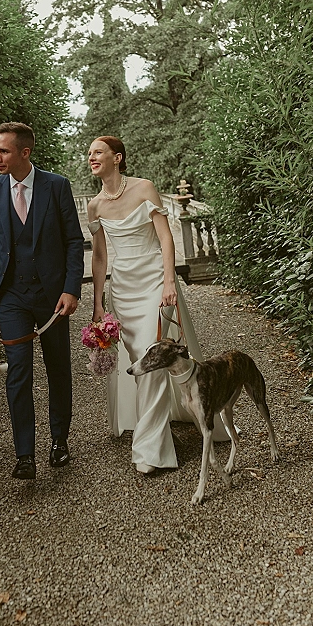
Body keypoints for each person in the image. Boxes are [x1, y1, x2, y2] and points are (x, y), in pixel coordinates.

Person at [87, 136, 228, 474]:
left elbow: (165, 236)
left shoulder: (144, 188)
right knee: (138, 362)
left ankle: (149, 451)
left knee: (151, 361)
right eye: (89, 153)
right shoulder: (95, 206)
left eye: (98, 152)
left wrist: (168, 281)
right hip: (122, 289)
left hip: (153, 282)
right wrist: (96, 302)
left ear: (117, 157)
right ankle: (161, 425)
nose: (91, 157)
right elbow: (101, 256)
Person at [0, 122, 84, 480]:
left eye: (3, 151)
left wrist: (72, 288)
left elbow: (73, 242)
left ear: (25, 152)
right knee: (18, 371)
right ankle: (24, 455)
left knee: (57, 367)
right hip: (11, 298)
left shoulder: (57, 186)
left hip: (53, 296)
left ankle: (59, 441)